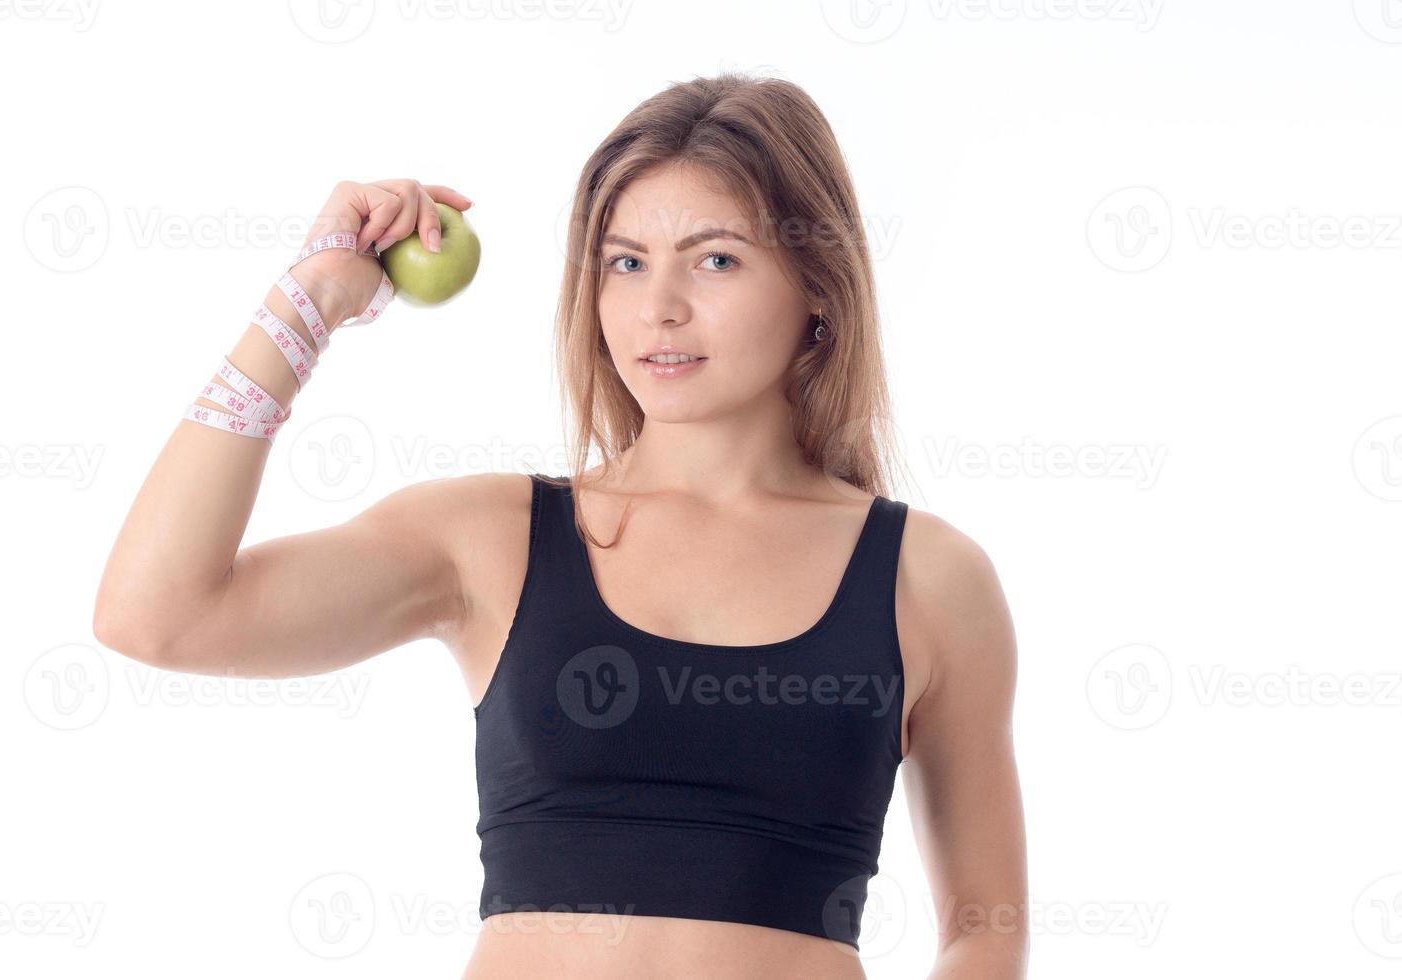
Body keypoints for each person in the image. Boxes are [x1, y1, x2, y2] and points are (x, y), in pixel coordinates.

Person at [94, 71, 1028, 980]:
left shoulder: (927, 577)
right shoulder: (491, 536)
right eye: (625, 262)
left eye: (715, 259)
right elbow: (157, 614)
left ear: (819, 285)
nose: (658, 307)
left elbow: (985, 933)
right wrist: (304, 307)